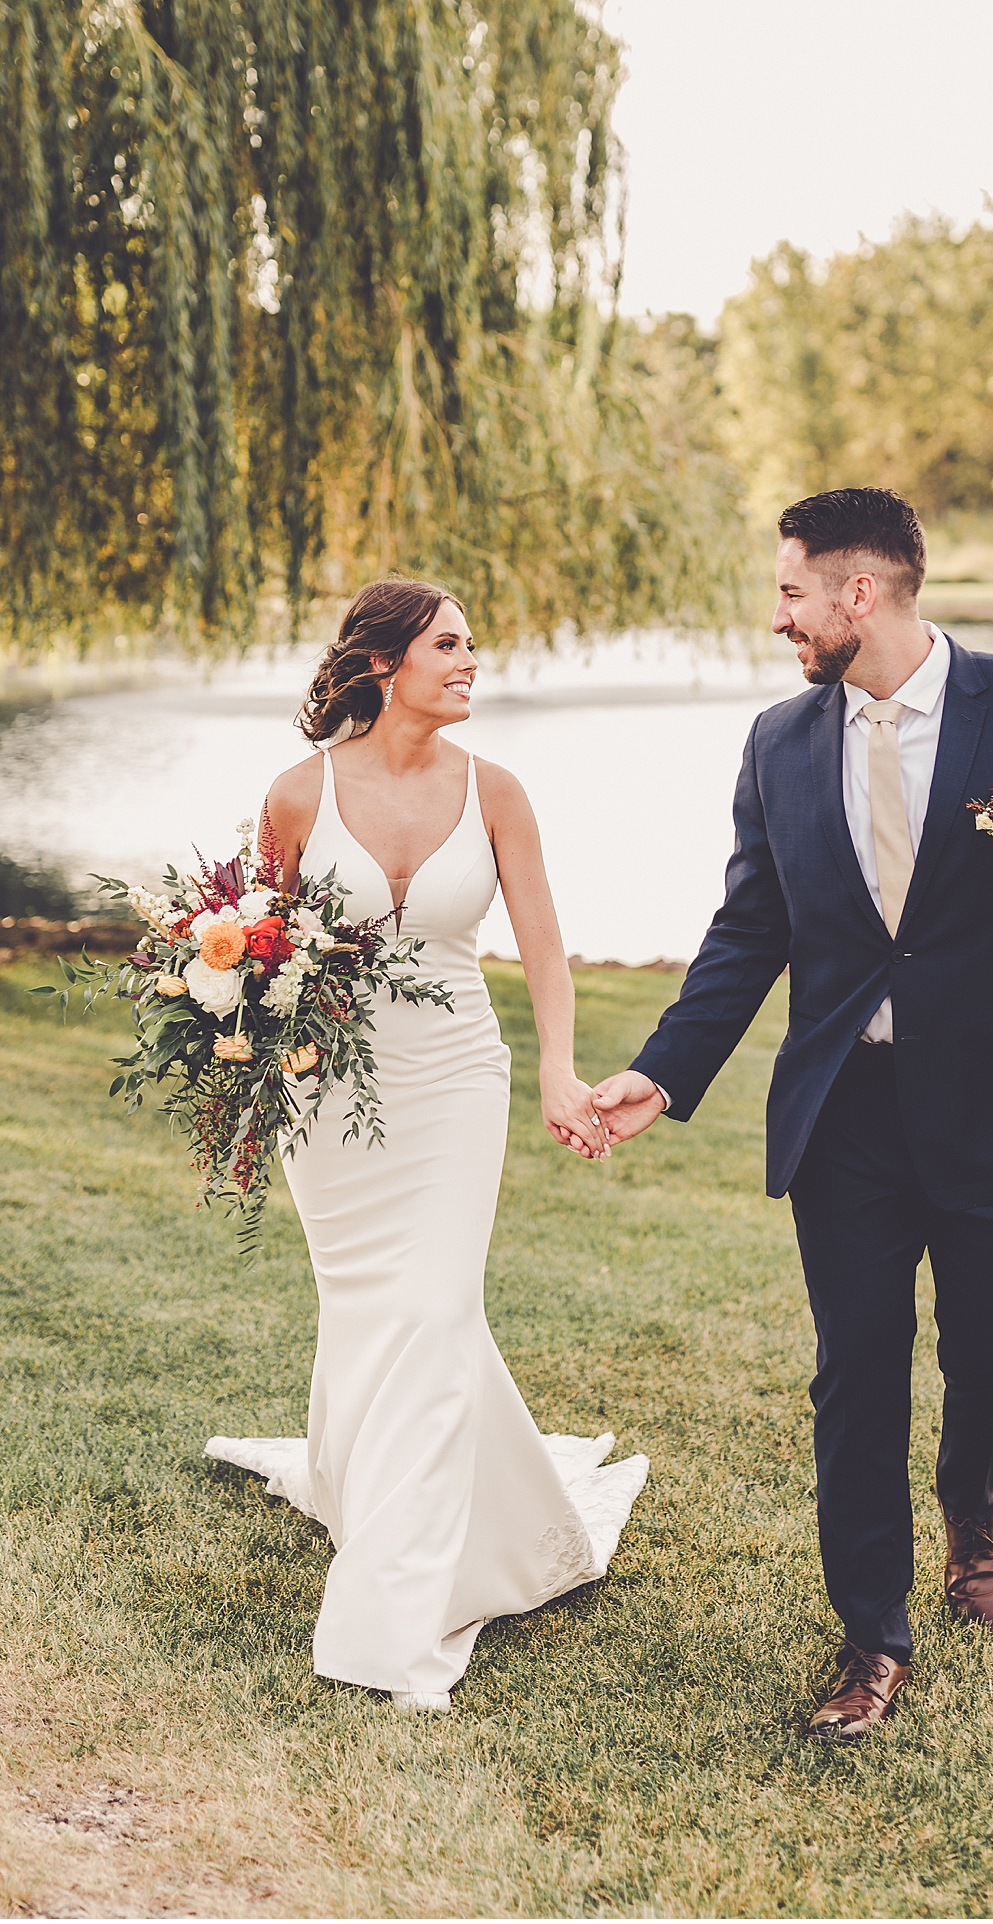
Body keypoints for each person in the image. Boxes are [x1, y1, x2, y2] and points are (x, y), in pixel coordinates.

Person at [589, 487, 993, 1737]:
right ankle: (871, 1640)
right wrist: (662, 1071)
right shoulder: (779, 743)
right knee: (855, 1372)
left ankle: (973, 1502)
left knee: (992, 1362)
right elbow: (749, 932)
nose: (777, 614)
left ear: (861, 591)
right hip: (846, 1110)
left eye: (792, 590)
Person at [206, 578, 647, 1712]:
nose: (470, 661)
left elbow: (545, 946)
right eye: (448, 644)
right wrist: (248, 1094)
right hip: (328, 1092)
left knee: (438, 1307)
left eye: (470, 643)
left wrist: (559, 1068)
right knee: (370, 1310)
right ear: (382, 662)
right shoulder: (297, 796)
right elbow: (255, 958)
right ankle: (387, 1492)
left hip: (455, 1077)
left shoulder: (496, 791)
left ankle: (390, 1618)